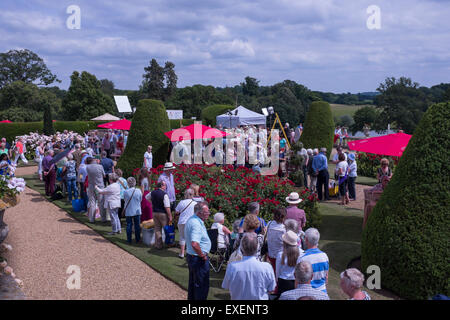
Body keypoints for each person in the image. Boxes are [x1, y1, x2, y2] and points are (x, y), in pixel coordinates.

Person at [222, 232, 276, 300]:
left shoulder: (232, 267)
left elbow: (226, 286)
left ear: (241, 248)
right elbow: (271, 289)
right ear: (257, 248)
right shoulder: (267, 267)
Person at [185, 201, 211, 300]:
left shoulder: (193, 220)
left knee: (194, 285)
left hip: (193, 257)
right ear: (199, 213)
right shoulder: (196, 223)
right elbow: (195, 244)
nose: (208, 214)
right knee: (201, 286)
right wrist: (202, 256)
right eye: (206, 212)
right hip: (198, 258)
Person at [299, 228, 329, 293]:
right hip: (322, 292)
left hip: (306, 293)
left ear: (306, 240)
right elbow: (326, 277)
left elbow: (298, 279)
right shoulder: (325, 256)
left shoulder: (302, 258)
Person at [276, 230, 304, 295]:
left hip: (283, 282)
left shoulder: (280, 254)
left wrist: (278, 281)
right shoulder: (302, 253)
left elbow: (277, 272)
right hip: (296, 282)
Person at [146, 181, 172, 249]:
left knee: (157, 229)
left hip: (155, 212)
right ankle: (168, 243)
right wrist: (170, 216)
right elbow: (167, 207)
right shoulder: (164, 194)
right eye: (165, 185)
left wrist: (152, 203)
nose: (166, 187)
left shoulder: (152, 192)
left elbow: (146, 197)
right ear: (162, 186)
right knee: (167, 229)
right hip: (163, 213)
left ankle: (158, 245)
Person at [266, 208, 287, 289]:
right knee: (280, 273)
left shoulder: (269, 224)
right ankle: (277, 288)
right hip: (281, 254)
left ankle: (273, 288)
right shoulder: (284, 228)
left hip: (271, 252)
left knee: (273, 271)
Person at [175, 188, 197, 258]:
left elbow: (176, 212)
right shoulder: (195, 203)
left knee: (182, 237)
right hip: (191, 222)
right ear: (192, 195)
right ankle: (190, 253)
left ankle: (181, 253)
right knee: (191, 238)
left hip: (182, 221)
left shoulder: (182, 202)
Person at [86, 157, 107, 223]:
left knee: (92, 202)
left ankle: (92, 219)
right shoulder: (100, 166)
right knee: (101, 202)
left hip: (91, 186)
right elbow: (104, 175)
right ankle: (103, 219)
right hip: (100, 186)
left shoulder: (88, 167)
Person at [123, 177, 142, 244]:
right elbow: (140, 200)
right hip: (137, 210)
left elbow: (125, 200)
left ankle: (129, 240)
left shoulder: (125, 192)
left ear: (128, 183)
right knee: (137, 225)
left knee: (129, 225)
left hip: (129, 210)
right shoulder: (138, 191)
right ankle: (137, 239)